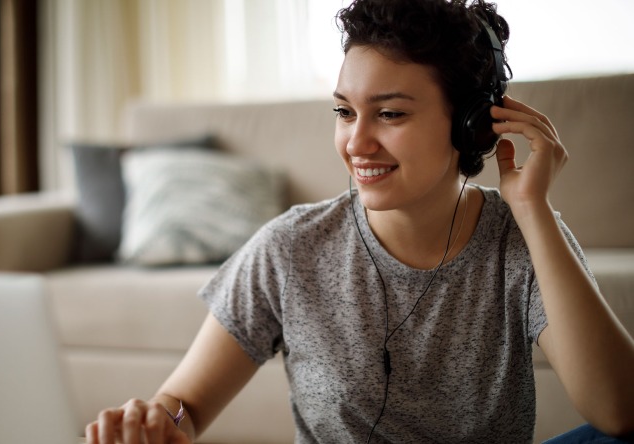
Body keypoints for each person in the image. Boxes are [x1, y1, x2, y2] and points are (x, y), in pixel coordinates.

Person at [86, 0, 634, 442]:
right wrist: (153, 424)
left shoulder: (524, 238)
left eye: (390, 114)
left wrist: (533, 209)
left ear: (471, 127)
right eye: (345, 112)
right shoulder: (291, 248)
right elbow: (184, 406)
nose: (356, 141)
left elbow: (619, 412)